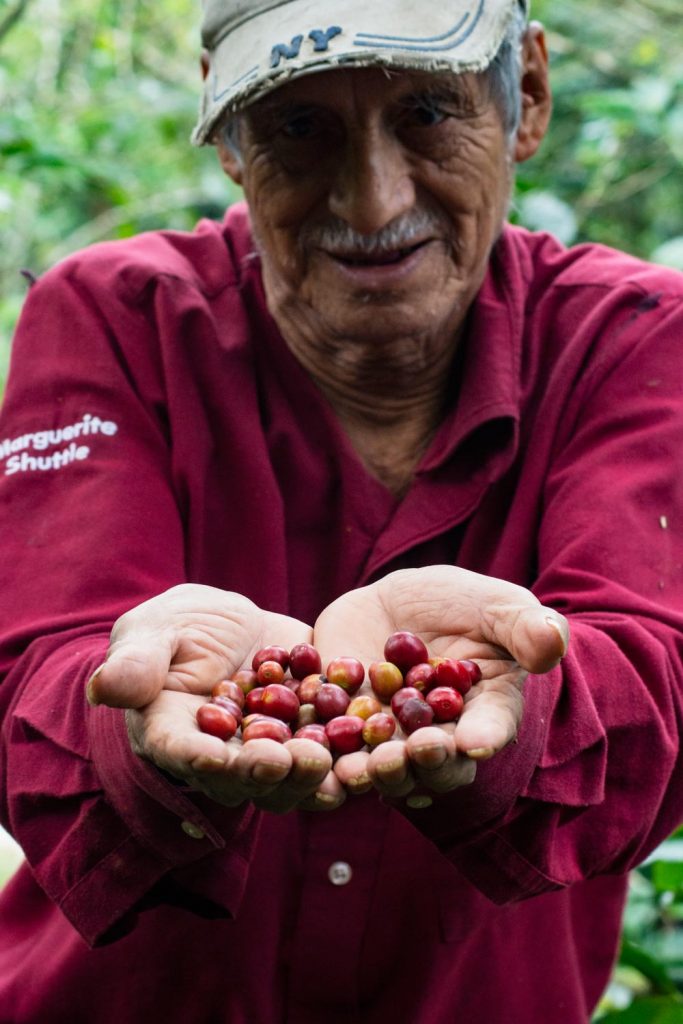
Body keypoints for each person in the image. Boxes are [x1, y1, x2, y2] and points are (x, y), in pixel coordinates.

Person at [0, 0, 682, 1020]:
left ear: (527, 95)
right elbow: (43, 668)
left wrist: (529, 707)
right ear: (230, 138)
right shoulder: (117, 319)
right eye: (297, 126)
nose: (371, 203)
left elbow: (655, 679)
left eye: (425, 112)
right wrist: (131, 722)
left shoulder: (632, 342)